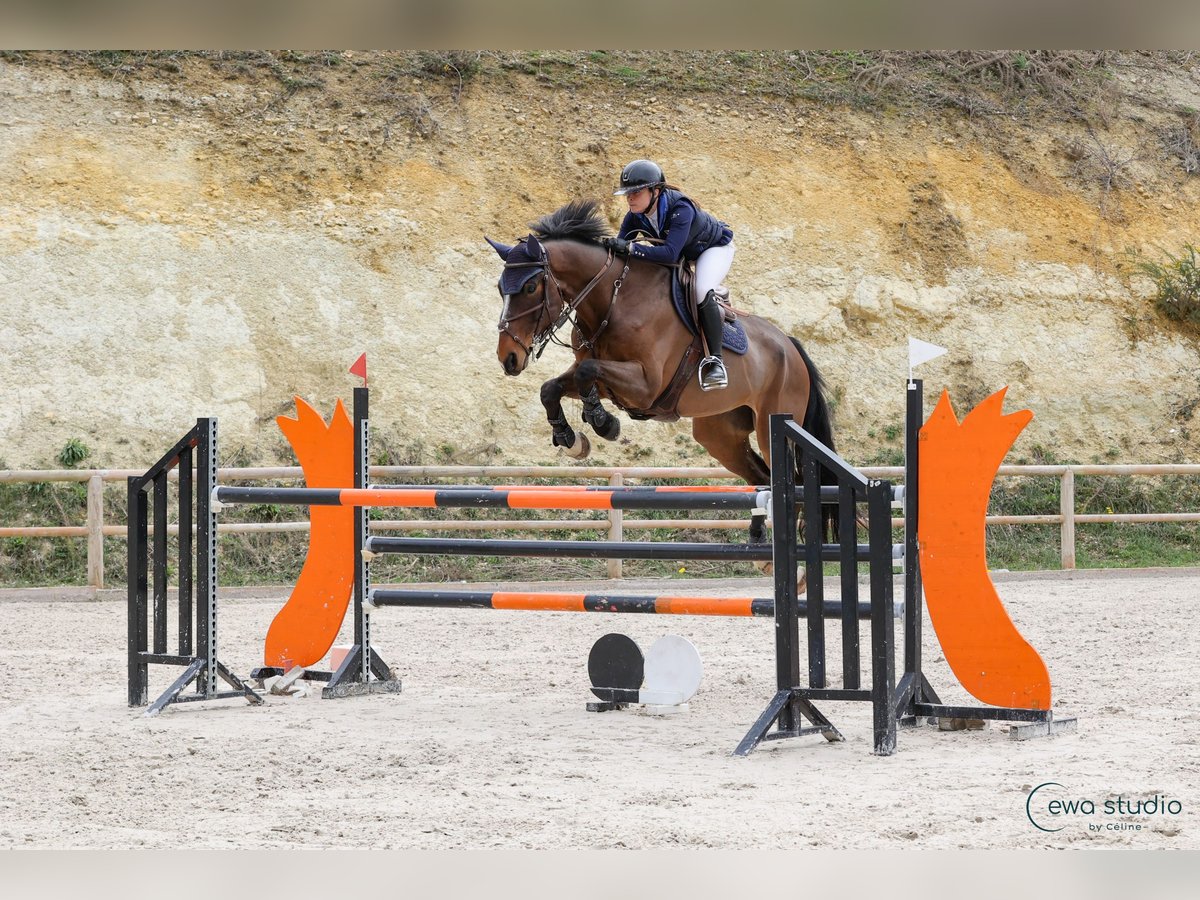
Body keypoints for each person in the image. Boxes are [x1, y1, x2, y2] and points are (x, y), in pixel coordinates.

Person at [602, 159, 735, 391]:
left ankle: (715, 361)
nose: (630, 198)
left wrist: (632, 249)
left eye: (636, 192)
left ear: (656, 191)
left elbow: (670, 254)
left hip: (712, 249)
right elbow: (621, 247)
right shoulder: (635, 215)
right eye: (627, 194)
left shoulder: (680, 208)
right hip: (684, 251)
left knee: (700, 290)